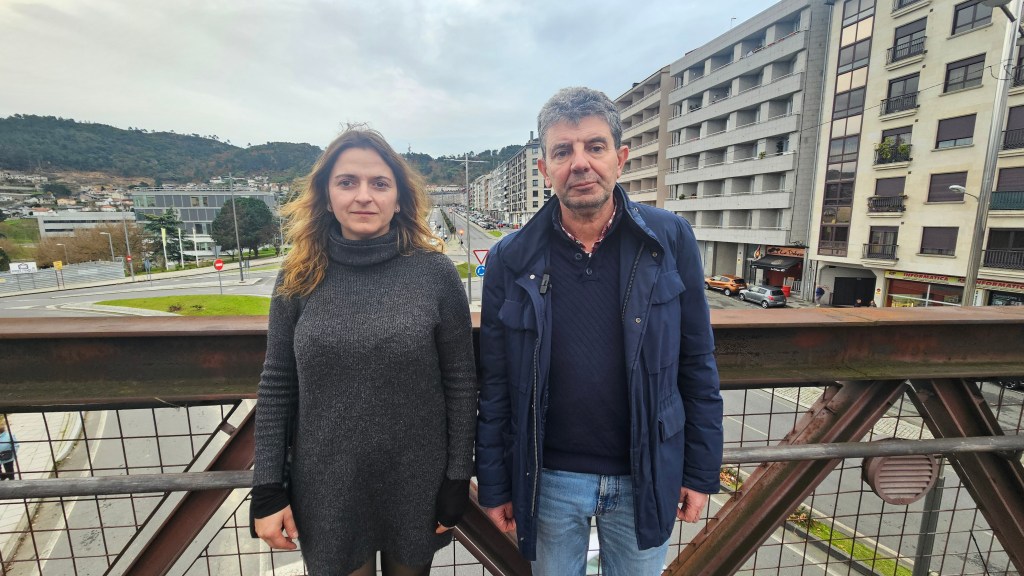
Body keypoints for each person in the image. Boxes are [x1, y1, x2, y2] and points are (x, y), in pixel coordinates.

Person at [476, 87, 724, 576]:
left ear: (620, 158)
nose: (580, 163)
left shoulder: (669, 238)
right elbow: (497, 382)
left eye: (595, 146)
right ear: (544, 169)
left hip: (645, 472)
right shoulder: (511, 256)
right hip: (549, 478)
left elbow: (697, 362)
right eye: (562, 151)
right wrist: (496, 483)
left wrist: (700, 472)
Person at [252, 127, 478, 576]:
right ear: (326, 196)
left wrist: (458, 474)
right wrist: (267, 488)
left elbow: (461, 381)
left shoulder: (435, 274)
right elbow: (277, 384)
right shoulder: (298, 276)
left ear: (399, 198)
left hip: (415, 481)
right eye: (347, 182)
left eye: (379, 183)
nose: (363, 196)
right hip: (327, 485)